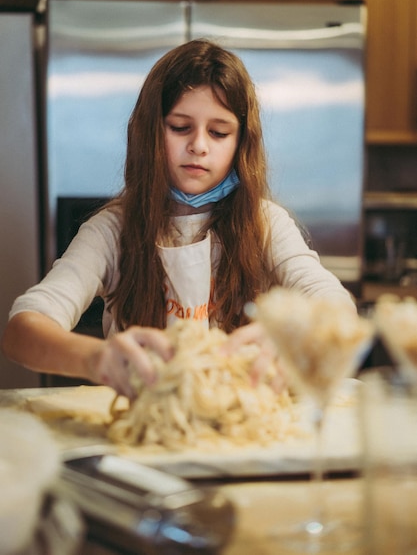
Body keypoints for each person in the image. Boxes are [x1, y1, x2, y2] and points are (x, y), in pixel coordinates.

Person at [1, 39, 355, 398]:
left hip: (248, 425)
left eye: (219, 132)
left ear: (241, 143)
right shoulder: (112, 231)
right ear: (150, 132)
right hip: (145, 432)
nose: (199, 145)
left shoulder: (265, 224)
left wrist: (294, 337)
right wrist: (96, 358)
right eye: (180, 127)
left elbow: (336, 305)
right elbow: (22, 330)